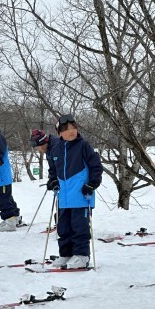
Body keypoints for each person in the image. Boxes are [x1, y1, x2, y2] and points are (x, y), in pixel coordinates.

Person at [46, 114, 103, 268]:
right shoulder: (56, 149)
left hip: (81, 195)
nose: (71, 131)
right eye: (66, 129)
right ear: (59, 132)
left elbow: (96, 166)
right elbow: (53, 170)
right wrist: (53, 181)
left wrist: (92, 183)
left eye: (73, 128)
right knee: (63, 228)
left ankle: (81, 256)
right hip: (63, 198)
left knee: (79, 227)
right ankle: (66, 254)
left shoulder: (83, 146)